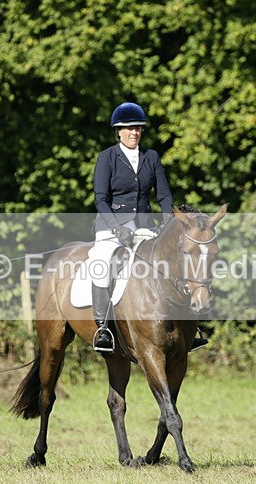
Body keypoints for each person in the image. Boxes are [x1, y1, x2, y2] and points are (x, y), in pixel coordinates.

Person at [88, 102, 208, 353]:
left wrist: (168, 221)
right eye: (129, 129)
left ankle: (188, 327)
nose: (134, 133)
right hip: (112, 227)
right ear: (118, 131)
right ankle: (103, 328)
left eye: (138, 128)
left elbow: (164, 195)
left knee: (173, 260)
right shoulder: (107, 158)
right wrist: (116, 228)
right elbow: (101, 198)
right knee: (101, 261)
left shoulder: (150, 157)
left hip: (145, 226)